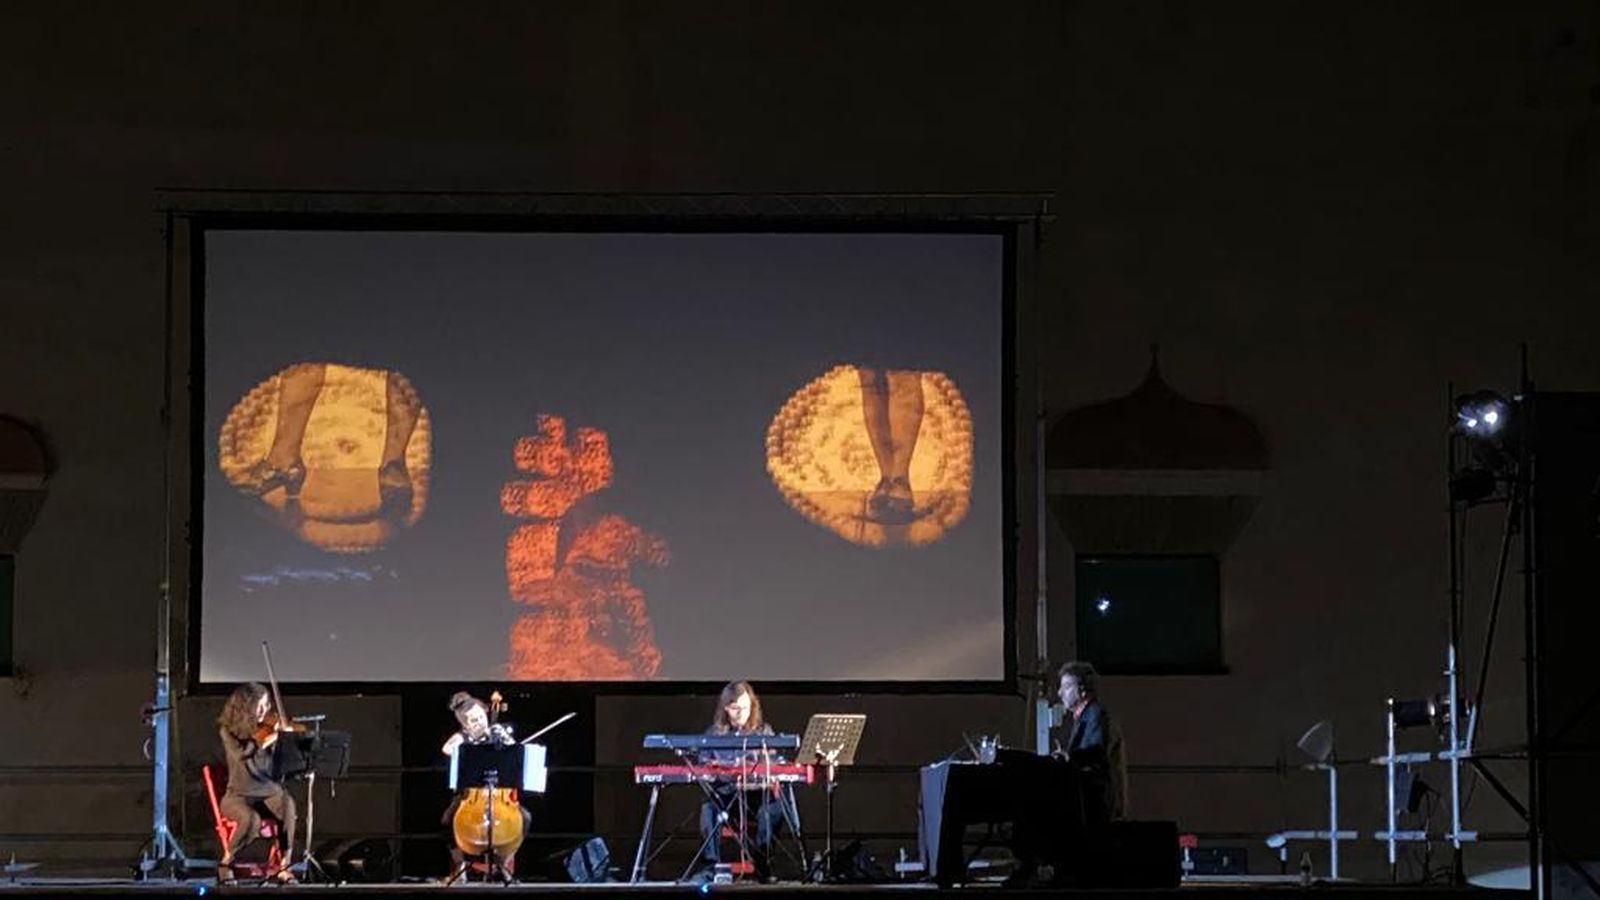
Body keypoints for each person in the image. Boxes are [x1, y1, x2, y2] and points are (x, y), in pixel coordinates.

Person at [697, 681, 800, 882]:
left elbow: (772, 763)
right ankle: (709, 868)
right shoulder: (712, 734)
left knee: (776, 807)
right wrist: (723, 768)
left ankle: (763, 866)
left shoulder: (763, 731)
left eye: (745, 707)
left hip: (756, 795)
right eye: (735, 708)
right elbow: (703, 768)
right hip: (728, 797)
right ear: (726, 708)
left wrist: (757, 764)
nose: (741, 713)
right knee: (708, 808)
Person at [440, 692, 531, 874]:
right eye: (473, 721)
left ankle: (504, 862)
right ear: (465, 725)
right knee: (447, 820)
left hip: (499, 795)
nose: (480, 722)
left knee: (525, 818)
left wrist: (503, 738)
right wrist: (466, 744)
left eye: (481, 717)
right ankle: (459, 863)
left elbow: (516, 753)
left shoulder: (497, 732)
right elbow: (447, 748)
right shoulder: (462, 737)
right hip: (471, 796)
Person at [216, 682, 297, 883]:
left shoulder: (267, 728)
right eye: (259, 706)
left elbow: (279, 764)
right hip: (238, 795)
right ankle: (226, 863)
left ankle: (284, 866)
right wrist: (265, 740)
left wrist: (285, 739)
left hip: (266, 791)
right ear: (246, 706)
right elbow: (242, 754)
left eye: (266, 705)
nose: (264, 711)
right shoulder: (228, 731)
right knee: (251, 820)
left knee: (288, 806)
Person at [1053, 661, 1128, 824]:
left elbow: (1096, 752)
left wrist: (1067, 757)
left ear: (1082, 689)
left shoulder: (1095, 713)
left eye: (1066, 687)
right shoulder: (1084, 717)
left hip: (1095, 801)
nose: (1060, 693)